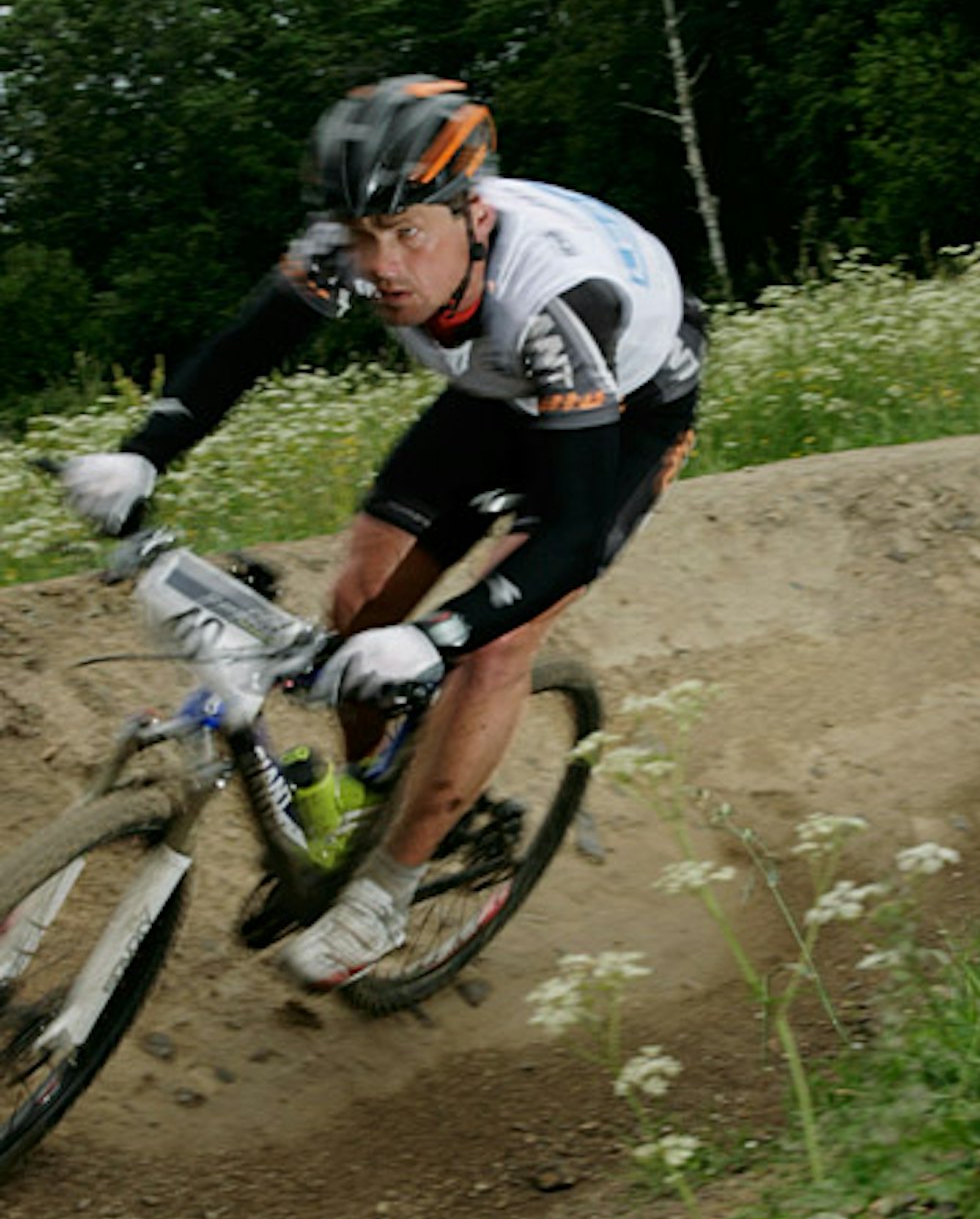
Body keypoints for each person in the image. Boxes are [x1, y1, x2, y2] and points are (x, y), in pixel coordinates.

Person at [61, 76, 703, 990]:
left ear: (471, 216)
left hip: (626, 405)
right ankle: (371, 802)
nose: (383, 264)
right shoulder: (357, 237)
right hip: (495, 387)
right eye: (365, 238)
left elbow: (573, 531)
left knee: (495, 645)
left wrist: (438, 637)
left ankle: (386, 896)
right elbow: (246, 348)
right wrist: (143, 455)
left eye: (410, 235)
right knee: (358, 596)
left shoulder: (560, 301)